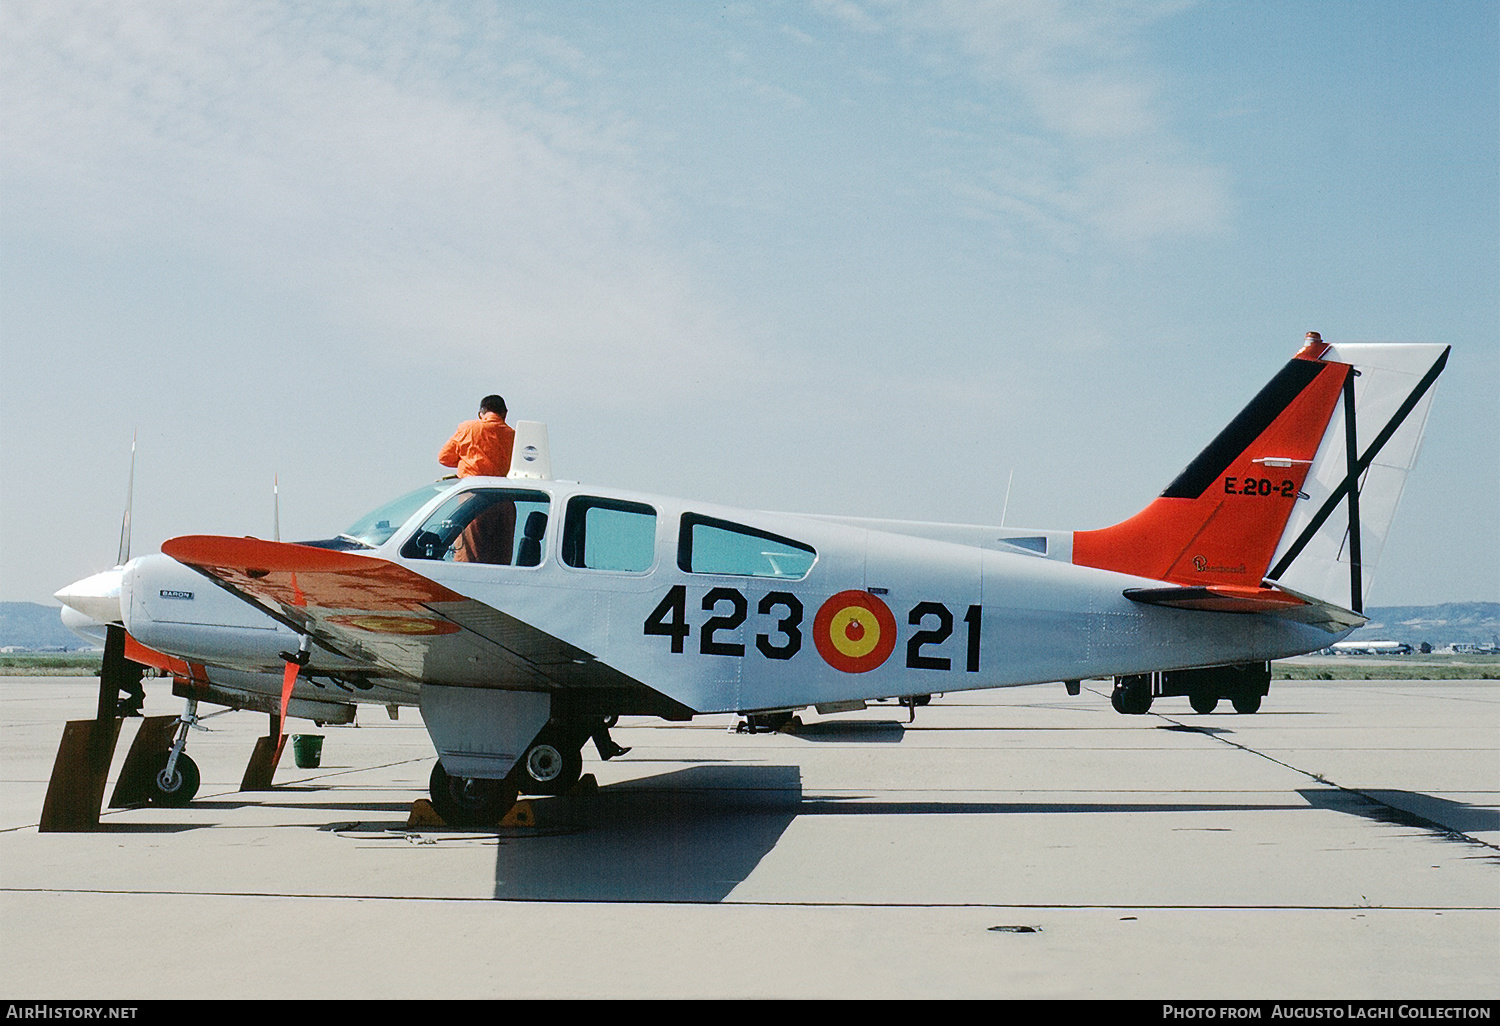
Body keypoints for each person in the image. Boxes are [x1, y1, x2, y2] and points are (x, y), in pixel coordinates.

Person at [438, 395, 516, 478]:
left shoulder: (468, 428)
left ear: (480, 414)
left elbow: (444, 457)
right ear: (505, 414)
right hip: (499, 487)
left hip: (470, 486)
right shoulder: (514, 435)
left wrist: (468, 460)